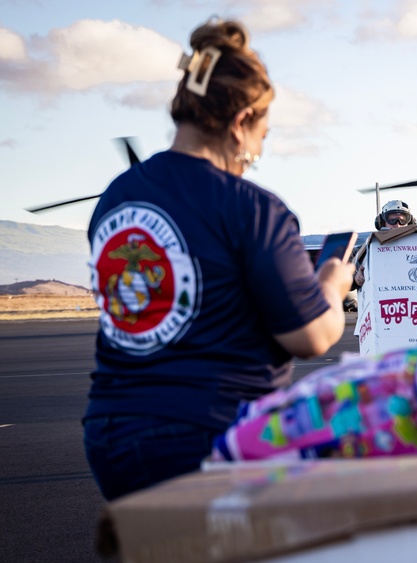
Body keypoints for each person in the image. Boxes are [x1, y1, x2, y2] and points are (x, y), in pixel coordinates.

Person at [82, 19, 354, 501]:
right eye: (262, 136)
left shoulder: (116, 198)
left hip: (112, 435)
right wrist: (332, 285)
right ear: (240, 121)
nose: (257, 151)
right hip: (208, 437)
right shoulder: (253, 208)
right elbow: (311, 336)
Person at [352, 199, 415, 289]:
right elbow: (341, 275)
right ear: (382, 222)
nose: (397, 225)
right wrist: (355, 279)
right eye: (392, 220)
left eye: (402, 220)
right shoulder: (367, 248)